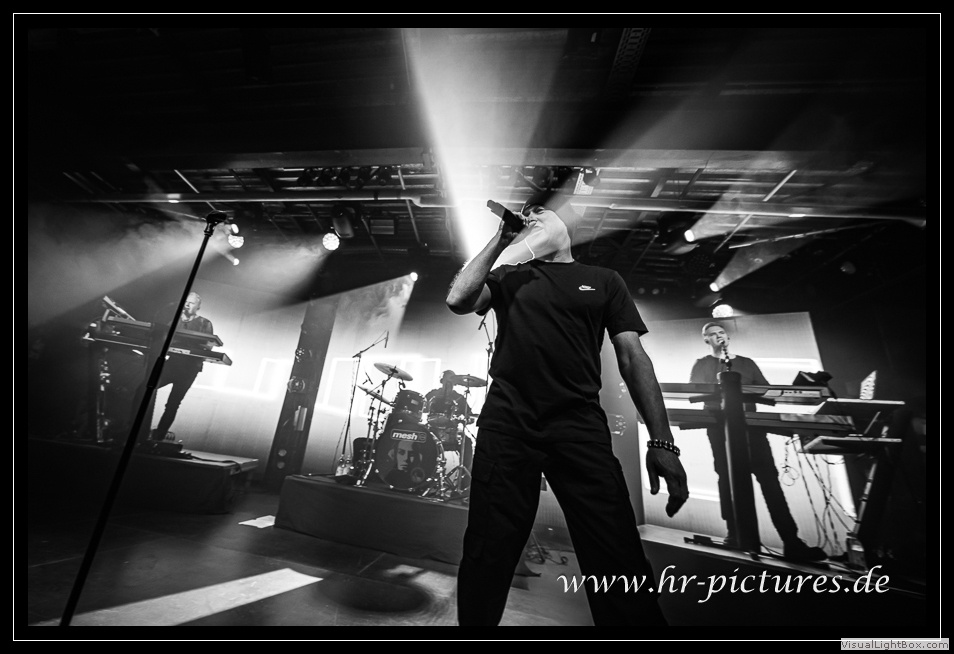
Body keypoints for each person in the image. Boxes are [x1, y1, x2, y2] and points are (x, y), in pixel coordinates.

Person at [445, 191, 688, 627]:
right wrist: (502, 239)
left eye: (542, 211)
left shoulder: (604, 280)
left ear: (567, 225)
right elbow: (459, 299)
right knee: (487, 549)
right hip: (508, 425)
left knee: (617, 552)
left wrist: (662, 441)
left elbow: (633, 358)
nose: (531, 216)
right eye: (529, 213)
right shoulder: (510, 276)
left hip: (579, 427)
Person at [689, 321, 827, 562]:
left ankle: (791, 541)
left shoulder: (747, 362)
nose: (719, 336)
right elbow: (695, 391)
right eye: (713, 334)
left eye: (722, 332)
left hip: (752, 428)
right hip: (720, 428)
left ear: (728, 337)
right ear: (706, 340)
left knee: (769, 481)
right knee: (727, 479)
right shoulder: (702, 364)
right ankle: (735, 534)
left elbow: (766, 390)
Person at [138, 292, 214, 441]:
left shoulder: (205, 323)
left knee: (173, 404)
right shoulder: (174, 320)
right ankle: (138, 429)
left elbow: (209, 346)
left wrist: (189, 342)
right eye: (186, 302)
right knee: (145, 389)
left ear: (198, 306)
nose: (187, 305)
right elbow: (163, 338)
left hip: (190, 368)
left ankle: (158, 436)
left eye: (191, 303)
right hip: (172, 364)